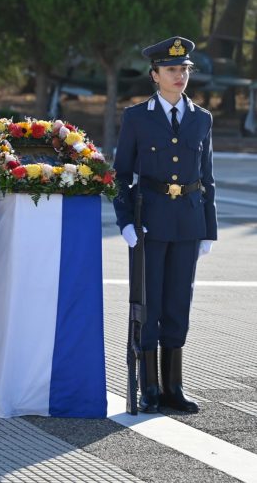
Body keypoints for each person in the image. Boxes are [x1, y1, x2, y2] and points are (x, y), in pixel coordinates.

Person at [114, 36, 217, 414]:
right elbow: (121, 174)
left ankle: (174, 385)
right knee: (150, 304)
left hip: (188, 221)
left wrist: (209, 227)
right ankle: (150, 387)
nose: (180, 76)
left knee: (178, 304)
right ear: (155, 75)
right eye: (172, 70)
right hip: (150, 222)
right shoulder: (137, 117)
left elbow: (207, 177)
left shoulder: (201, 118)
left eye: (184, 70)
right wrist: (125, 221)